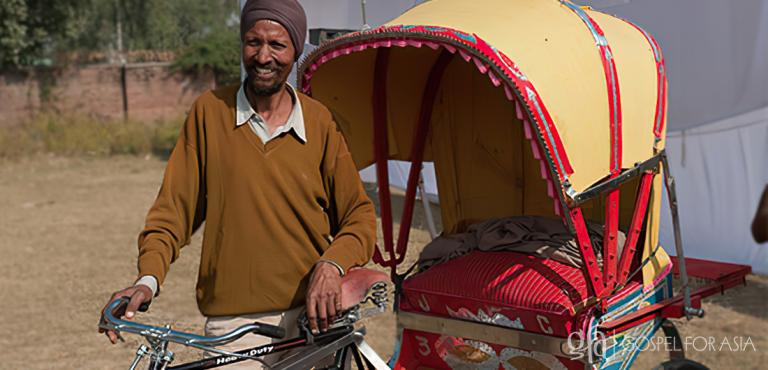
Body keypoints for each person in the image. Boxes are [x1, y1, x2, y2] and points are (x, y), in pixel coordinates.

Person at [99, 0, 377, 367]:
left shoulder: (319, 122)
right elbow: (173, 213)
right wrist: (147, 279)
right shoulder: (208, 113)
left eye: (277, 45)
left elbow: (359, 217)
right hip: (234, 327)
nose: (263, 56)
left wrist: (331, 266)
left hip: (312, 321)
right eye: (253, 42)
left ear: (295, 49)